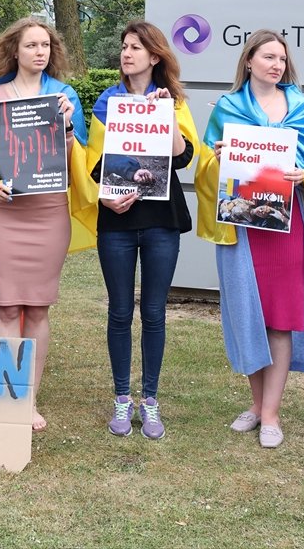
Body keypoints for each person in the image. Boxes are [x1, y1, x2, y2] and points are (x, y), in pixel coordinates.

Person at [195, 30, 304, 448]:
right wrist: (220, 156)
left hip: (286, 226)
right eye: (268, 57)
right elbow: (206, 165)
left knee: (281, 317)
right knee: (250, 312)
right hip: (245, 226)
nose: (276, 65)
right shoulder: (227, 107)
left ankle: (271, 413)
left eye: (282, 58)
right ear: (249, 61)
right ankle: (255, 402)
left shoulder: (299, 105)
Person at [0, 16, 98, 432]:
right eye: (31, 46)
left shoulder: (64, 94)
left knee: (37, 308)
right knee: (6, 306)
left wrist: (70, 123)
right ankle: (5, 395)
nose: (39, 52)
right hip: (6, 214)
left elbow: (76, 151)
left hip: (48, 212)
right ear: (14, 51)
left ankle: (28, 400)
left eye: (45, 45)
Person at [87, 22, 200, 440]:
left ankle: (150, 400)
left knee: (153, 312)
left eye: (135, 47)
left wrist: (165, 113)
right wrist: (103, 196)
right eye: (123, 46)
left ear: (155, 56)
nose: (126, 53)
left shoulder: (174, 101)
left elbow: (184, 157)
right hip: (116, 220)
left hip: (161, 222)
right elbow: (94, 163)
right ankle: (122, 398)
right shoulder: (106, 102)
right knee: (119, 311)